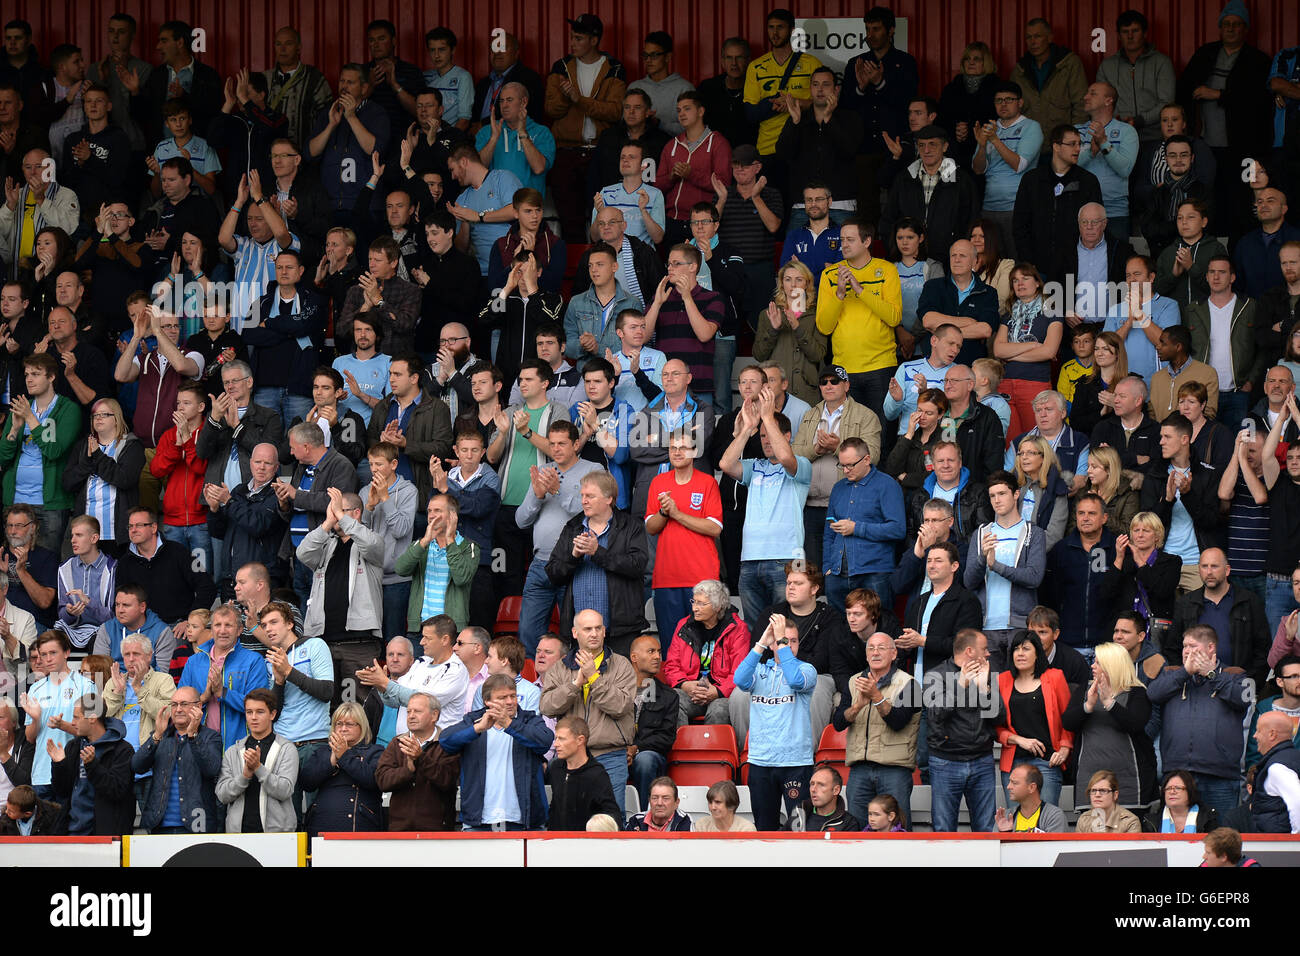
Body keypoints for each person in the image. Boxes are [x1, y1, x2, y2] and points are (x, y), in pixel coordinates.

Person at [719, 390, 811, 630]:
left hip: (787, 559)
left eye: (771, 435)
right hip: (750, 560)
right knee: (755, 629)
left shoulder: (801, 463)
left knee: (787, 627)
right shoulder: (755, 466)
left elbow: (784, 456)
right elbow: (725, 464)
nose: (766, 440)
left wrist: (768, 418)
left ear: (787, 436)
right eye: (762, 436)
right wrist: (746, 429)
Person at [540, 609, 636, 817]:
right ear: (575, 633)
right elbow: (546, 706)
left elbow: (621, 706)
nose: (593, 633)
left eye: (598, 628)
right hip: (572, 758)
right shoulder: (560, 668)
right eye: (587, 629)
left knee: (610, 822)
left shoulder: (621, 665)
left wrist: (594, 678)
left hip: (610, 755)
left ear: (604, 632)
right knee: (572, 820)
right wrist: (575, 685)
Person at [1148, 625, 1252, 815]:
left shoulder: (1236, 674)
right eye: (1184, 646)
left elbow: (1244, 699)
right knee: (1177, 838)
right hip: (1177, 774)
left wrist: (1212, 674)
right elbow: (1153, 694)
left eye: (1192, 646)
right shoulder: (1172, 673)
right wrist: (1184, 672)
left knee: (1220, 837)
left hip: (1220, 775)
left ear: (1211, 648)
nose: (1186, 651)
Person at [546, 471, 648, 658]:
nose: (584, 501)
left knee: (617, 685)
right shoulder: (573, 526)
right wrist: (574, 556)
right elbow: (553, 573)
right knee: (582, 685)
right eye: (582, 496)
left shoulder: (631, 526)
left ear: (609, 498)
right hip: (581, 631)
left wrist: (597, 552)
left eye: (590, 496)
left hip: (620, 629)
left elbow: (637, 566)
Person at [296, 489, 383, 704]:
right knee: (326, 705)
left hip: (359, 642)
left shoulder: (369, 541)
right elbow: (302, 552)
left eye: (340, 511)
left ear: (355, 513)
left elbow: (373, 545)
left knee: (359, 704)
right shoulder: (326, 544)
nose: (335, 515)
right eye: (333, 511)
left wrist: (342, 518)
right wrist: (327, 523)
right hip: (324, 640)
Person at [793, 364, 883, 566]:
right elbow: (794, 455)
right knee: (814, 568)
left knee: (843, 564)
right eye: (824, 382)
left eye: (835, 381)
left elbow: (873, 456)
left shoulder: (866, 415)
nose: (828, 385)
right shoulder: (810, 414)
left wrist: (837, 447)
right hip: (810, 503)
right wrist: (815, 450)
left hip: (848, 504)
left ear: (847, 385)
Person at [734, 612, 817, 830]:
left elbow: (795, 680)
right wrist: (762, 642)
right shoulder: (759, 670)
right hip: (761, 762)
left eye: (793, 641)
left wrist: (780, 644)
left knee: (799, 828)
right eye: (783, 640)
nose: (788, 645)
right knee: (764, 827)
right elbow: (739, 679)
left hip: (795, 763)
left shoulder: (806, 669)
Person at [442, 672, 552, 831]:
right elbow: (446, 741)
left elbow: (545, 741)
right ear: (487, 701)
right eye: (502, 698)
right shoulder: (474, 721)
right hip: (478, 822)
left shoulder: (529, 720)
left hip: (525, 822)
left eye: (512, 696)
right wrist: (477, 728)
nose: (509, 702)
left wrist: (509, 724)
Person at [815, 218, 902, 417]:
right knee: (849, 436)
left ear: (867, 241)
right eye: (842, 239)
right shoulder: (830, 274)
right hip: (844, 369)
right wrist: (839, 294)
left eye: (850, 239)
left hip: (881, 366)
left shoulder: (887, 270)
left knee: (881, 433)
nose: (844, 244)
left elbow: (894, 318)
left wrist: (860, 290)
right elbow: (824, 327)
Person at [831, 629, 920, 824]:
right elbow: (838, 723)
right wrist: (858, 706)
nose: (875, 653)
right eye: (871, 648)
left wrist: (877, 697)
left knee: (897, 828)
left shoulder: (910, 684)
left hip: (894, 770)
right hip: (859, 768)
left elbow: (898, 722)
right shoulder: (854, 681)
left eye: (881, 648)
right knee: (857, 829)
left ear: (894, 653)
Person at [645, 434, 723, 649]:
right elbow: (651, 527)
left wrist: (677, 514)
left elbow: (715, 528)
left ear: (695, 452)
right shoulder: (659, 482)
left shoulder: (707, 482)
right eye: (672, 448)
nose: (677, 452)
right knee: (672, 648)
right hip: (667, 578)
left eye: (683, 447)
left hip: (702, 578)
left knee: (704, 648)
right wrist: (664, 511)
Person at [964, 471, 1047, 670]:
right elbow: (968, 581)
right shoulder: (981, 533)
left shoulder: (1033, 533)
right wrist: (983, 558)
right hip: (986, 627)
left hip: (1020, 626)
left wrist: (996, 566)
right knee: (989, 694)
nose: (996, 500)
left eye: (1002, 494)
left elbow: (1034, 577)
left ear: (1016, 494)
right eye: (992, 496)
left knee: (1020, 690)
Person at [924, 628, 1003, 832]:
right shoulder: (936, 675)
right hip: (945, 761)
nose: (988, 654)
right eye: (984, 649)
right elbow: (934, 716)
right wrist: (960, 685)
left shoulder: (988, 672)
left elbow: (999, 717)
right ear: (969, 651)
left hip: (982, 760)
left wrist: (985, 688)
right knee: (943, 829)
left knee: (986, 828)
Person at [0, 353, 80, 553]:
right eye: (27, 374)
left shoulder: (68, 410)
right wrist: (14, 430)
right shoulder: (20, 408)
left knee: (47, 561)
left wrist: (30, 418)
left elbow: (54, 451)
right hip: (16, 500)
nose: (29, 379)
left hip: (50, 503)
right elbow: (3, 457)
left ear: (51, 377)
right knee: (13, 563)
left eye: (36, 374)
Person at [1064, 640, 1157, 810]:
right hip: (1089, 778)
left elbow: (1135, 723)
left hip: (1129, 781)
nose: (1092, 666)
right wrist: (1088, 706)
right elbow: (1068, 723)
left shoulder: (1137, 692)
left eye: (1098, 662)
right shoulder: (1086, 689)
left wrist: (1109, 702)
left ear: (1112, 665)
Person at [1012, 125, 1102, 284]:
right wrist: (1027, 261)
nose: (1077, 149)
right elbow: (1020, 224)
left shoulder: (1088, 181)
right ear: (1056, 146)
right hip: (1038, 267)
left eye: (1079, 144)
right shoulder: (1032, 180)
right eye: (1072, 144)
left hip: (1076, 268)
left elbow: (1096, 225)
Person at [824, 436, 905, 611]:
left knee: (879, 629)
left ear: (867, 459)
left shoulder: (887, 485)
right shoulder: (838, 488)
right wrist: (827, 567)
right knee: (839, 631)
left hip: (874, 572)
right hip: (837, 573)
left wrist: (856, 528)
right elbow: (829, 532)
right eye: (842, 465)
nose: (845, 470)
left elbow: (898, 529)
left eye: (850, 465)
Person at [1168, 548, 1270, 686]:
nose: (1209, 572)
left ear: (1227, 570)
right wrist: (1185, 679)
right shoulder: (1185, 603)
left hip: (1236, 684)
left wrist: (1249, 681)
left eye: (1214, 566)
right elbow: (1172, 648)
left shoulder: (1249, 601)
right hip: (1196, 686)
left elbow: (1263, 648)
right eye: (1204, 566)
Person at [178, 603, 272, 751]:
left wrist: (223, 693)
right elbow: (180, 707)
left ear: (239, 630)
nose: (222, 631)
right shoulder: (194, 661)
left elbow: (260, 707)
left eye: (228, 625)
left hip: (240, 748)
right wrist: (204, 697)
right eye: (217, 625)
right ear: (211, 629)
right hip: (200, 747)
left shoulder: (253, 661)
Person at [996, 630, 1073, 806]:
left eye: (1026, 649)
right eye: (1016, 649)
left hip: (1047, 761)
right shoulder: (1002, 680)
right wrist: (1018, 740)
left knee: (1044, 824)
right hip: (1014, 762)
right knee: (1016, 823)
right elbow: (995, 727)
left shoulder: (1055, 677)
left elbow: (1068, 718)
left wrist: (1065, 748)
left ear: (1037, 653)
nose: (1020, 653)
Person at [131, 684, 221, 833]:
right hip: (158, 826)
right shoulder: (161, 736)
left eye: (184, 704)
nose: (178, 709)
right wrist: (156, 736)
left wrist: (193, 735)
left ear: (198, 706)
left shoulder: (210, 737)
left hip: (196, 826)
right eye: (174, 704)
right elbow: (137, 766)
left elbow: (211, 769)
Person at [1188, 256, 1264, 428]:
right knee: (1204, 445)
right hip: (1203, 392)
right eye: (1212, 272)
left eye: (1222, 272)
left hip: (1239, 392)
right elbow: (1186, 350)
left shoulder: (1249, 306)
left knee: (1240, 443)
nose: (1216, 277)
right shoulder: (1193, 309)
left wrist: (1251, 380)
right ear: (1206, 276)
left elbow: (1261, 347)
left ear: (1232, 277)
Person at [662, 579, 749, 727]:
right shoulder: (684, 626)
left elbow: (740, 672)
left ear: (718, 606)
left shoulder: (737, 629)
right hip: (692, 691)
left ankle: (713, 750)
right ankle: (682, 749)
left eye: (701, 603)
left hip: (722, 693)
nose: (695, 608)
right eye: (694, 602)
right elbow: (671, 666)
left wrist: (717, 691)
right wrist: (685, 685)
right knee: (672, 700)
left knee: (718, 711)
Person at [48, 693, 134, 836]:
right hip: (72, 832)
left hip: (104, 837)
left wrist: (92, 765)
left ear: (93, 718)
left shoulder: (122, 749)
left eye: (76, 717)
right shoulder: (74, 746)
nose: (72, 722)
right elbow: (62, 791)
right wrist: (59, 765)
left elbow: (117, 790)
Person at [374, 690, 460, 831]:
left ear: (434, 715)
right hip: (400, 830)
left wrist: (421, 758)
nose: (411, 716)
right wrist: (408, 770)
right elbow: (382, 780)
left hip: (437, 832)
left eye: (417, 711)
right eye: (408, 712)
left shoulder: (447, 743)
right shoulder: (397, 743)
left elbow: (447, 780)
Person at [297, 703, 383, 838]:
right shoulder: (323, 751)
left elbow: (373, 780)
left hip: (359, 826)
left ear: (362, 726)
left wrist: (343, 756)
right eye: (339, 723)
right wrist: (331, 760)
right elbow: (306, 782)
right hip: (321, 826)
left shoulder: (375, 751)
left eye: (349, 724)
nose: (343, 728)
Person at [626, 634, 677, 808]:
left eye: (659, 652)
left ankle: (642, 818)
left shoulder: (669, 696)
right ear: (634, 658)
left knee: (645, 760)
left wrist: (636, 748)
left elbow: (666, 738)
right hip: (617, 752)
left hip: (648, 755)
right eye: (651, 651)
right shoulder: (615, 691)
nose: (657, 657)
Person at [545, 714, 621, 830]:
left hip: (587, 843)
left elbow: (611, 817)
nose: (555, 744)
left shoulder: (597, 775)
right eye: (556, 738)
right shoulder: (556, 768)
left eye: (562, 739)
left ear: (580, 740)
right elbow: (554, 809)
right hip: (556, 842)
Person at [1249, 709, 1300, 832]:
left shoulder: (1277, 767)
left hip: (1280, 848)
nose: (1254, 735)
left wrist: (1295, 843)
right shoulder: (1292, 758)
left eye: (1258, 730)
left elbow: (1297, 802)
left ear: (1272, 734)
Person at [995, 763, 1068, 832]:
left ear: (1032, 787)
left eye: (1014, 783)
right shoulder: (1005, 817)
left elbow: (1055, 845)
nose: (1008, 787)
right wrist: (1005, 833)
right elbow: (993, 845)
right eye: (1009, 782)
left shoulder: (1054, 816)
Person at [1145, 769, 1221, 834]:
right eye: (1168, 788)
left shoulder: (1208, 819)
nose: (1172, 792)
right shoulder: (1151, 821)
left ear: (1190, 791)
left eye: (1177, 788)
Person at [1075, 769, 1143, 832]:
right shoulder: (1084, 819)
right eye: (1093, 790)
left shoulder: (1130, 822)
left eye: (1103, 790)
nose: (1097, 795)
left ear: (1115, 795)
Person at [626, 775, 694, 832]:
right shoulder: (635, 821)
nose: (659, 803)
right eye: (655, 798)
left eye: (665, 798)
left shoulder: (684, 821)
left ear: (676, 803)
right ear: (649, 801)